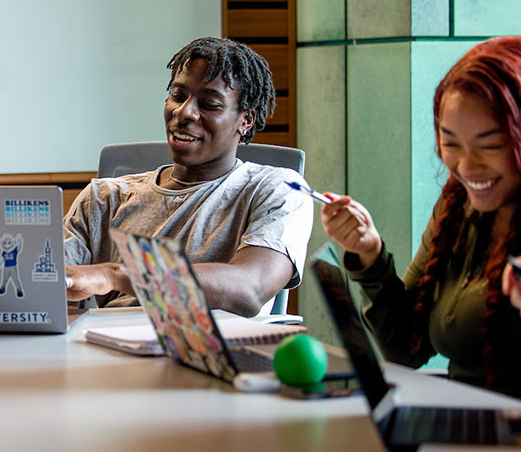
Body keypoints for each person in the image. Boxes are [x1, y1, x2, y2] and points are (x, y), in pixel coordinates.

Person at [320, 36, 521, 397]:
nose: (466, 166)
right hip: (469, 428)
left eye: (490, 146)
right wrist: (369, 254)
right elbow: (404, 349)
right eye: (451, 143)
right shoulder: (458, 207)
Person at [63, 37, 313, 316]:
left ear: (246, 120)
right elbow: (46, 282)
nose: (184, 112)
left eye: (208, 104)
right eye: (178, 96)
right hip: (107, 351)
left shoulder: (278, 190)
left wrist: (115, 275)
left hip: (216, 354)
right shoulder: (104, 197)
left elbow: (250, 288)